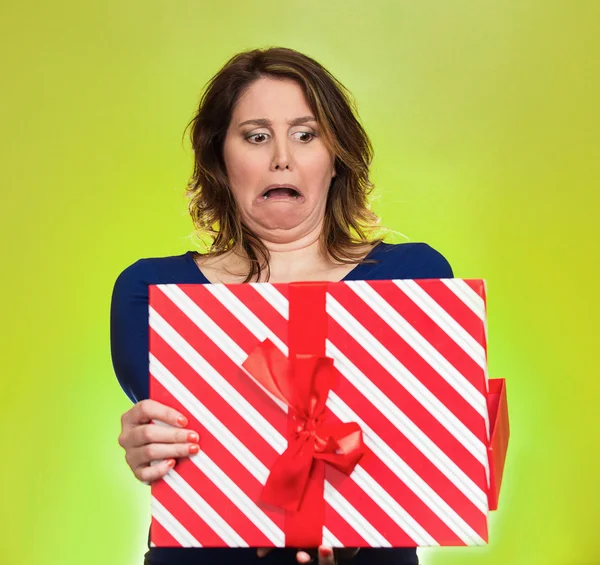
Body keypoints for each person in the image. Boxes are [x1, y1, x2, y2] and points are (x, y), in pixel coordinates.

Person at [110, 46, 453, 565]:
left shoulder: (414, 279)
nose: (281, 157)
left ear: (334, 158)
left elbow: (430, 452)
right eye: (256, 136)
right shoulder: (151, 293)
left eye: (305, 134)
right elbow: (180, 447)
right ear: (220, 158)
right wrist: (147, 443)